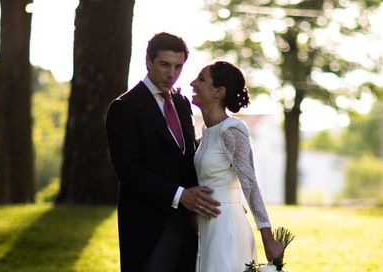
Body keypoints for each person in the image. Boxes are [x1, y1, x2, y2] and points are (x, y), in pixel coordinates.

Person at [106, 32, 221, 271]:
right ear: (148, 61)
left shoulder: (182, 104)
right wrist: (180, 196)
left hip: (189, 225)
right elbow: (128, 170)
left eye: (178, 66)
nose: (172, 74)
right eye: (165, 65)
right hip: (148, 228)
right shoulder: (124, 107)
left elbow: (187, 155)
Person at [190, 61, 284, 272]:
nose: (193, 83)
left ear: (219, 92)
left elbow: (250, 184)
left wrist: (268, 239)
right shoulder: (206, 132)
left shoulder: (232, 131)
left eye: (201, 79)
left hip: (226, 228)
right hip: (206, 227)